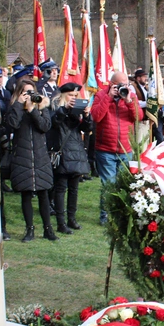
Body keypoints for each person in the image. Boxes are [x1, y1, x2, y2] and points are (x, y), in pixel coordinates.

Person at [5, 79, 57, 242]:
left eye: (31, 92)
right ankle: (30, 229)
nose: (29, 96)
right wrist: (20, 105)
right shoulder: (15, 108)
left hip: (40, 155)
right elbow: (12, 124)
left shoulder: (41, 106)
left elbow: (45, 126)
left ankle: (48, 229)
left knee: (43, 192)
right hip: (23, 156)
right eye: (25, 92)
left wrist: (33, 109)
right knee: (26, 194)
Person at [91, 71, 143, 225]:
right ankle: (105, 216)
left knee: (123, 185)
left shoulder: (131, 96)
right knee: (109, 184)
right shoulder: (101, 95)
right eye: (120, 85)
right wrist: (109, 97)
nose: (123, 87)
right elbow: (96, 117)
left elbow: (138, 117)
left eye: (126, 84)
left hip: (125, 149)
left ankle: (120, 214)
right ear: (112, 84)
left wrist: (128, 101)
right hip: (105, 148)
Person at [49, 83, 92, 234]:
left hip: (76, 152)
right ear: (63, 96)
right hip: (62, 151)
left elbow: (87, 129)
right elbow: (53, 122)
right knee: (60, 189)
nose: (73, 98)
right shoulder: (55, 107)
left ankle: (71, 219)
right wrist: (65, 108)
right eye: (70, 95)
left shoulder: (76, 112)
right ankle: (61, 223)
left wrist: (86, 115)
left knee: (74, 188)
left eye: (75, 96)